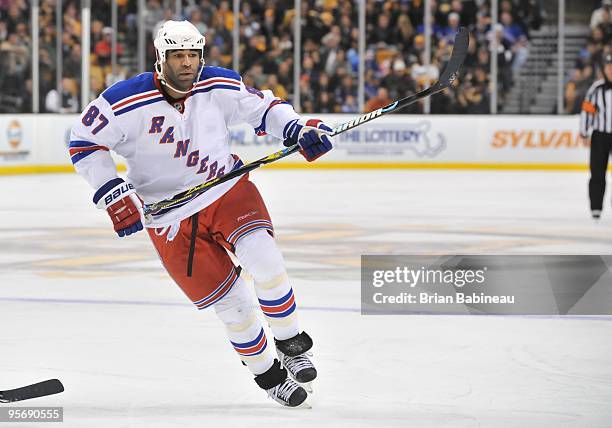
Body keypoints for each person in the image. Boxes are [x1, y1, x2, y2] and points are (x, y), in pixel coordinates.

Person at [69, 20, 334, 407]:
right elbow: (84, 142)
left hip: (226, 190)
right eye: (178, 56)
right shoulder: (122, 100)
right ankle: (268, 375)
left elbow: (266, 109)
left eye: (193, 55)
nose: (187, 64)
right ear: (160, 58)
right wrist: (110, 190)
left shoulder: (218, 84)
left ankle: (292, 342)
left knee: (267, 261)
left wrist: (295, 128)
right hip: (170, 219)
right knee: (235, 307)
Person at [580, 52, 612, 219]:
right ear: (604, 69)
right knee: (597, 172)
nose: (611, 70)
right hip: (600, 136)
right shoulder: (596, 89)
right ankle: (596, 208)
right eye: (608, 67)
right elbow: (587, 110)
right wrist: (584, 133)